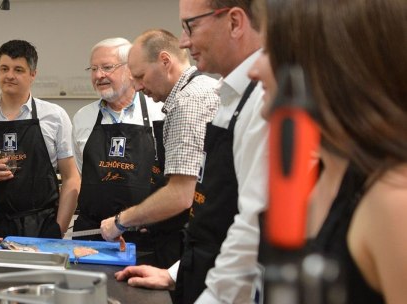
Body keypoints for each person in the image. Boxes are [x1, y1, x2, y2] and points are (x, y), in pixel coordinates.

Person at [111, 1, 268, 303]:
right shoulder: (226, 96)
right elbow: (220, 216)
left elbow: (249, 229)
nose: (183, 41)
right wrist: (174, 274)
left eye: (191, 26)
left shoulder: (250, 101)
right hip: (202, 269)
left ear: (235, 22)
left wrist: (121, 220)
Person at [250, 0, 407, 302]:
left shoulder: (393, 202)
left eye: (267, 51)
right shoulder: (319, 174)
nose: (253, 71)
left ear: (323, 63)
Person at [70, 37, 176, 268]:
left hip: (148, 240)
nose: (99, 75)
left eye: (107, 67)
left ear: (130, 70)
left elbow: (175, 182)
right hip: (93, 238)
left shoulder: (161, 112)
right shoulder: (82, 118)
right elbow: (81, 172)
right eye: (93, 69)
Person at [0, 40, 80, 239]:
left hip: (41, 228)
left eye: (18, 70)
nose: (10, 75)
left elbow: (71, 178)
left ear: (33, 74)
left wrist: (58, 229)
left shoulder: (55, 116)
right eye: (4, 68)